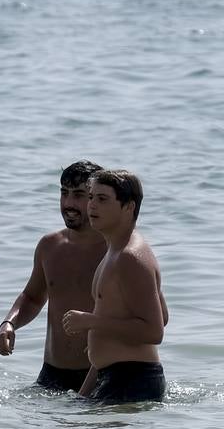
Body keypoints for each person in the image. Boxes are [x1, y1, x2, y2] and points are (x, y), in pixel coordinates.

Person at [0, 160, 107, 392]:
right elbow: (32, 297)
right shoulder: (50, 246)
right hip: (52, 373)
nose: (68, 203)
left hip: (103, 373)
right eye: (64, 193)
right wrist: (9, 324)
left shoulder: (116, 250)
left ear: (96, 199)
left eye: (78, 195)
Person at [62, 170, 168, 403]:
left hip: (133, 380)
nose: (91, 206)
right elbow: (163, 316)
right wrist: (83, 396)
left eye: (102, 199)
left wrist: (90, 322)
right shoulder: (115, 250)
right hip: (111, 377)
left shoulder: (131, 257)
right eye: (91, 197)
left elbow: (155, 330)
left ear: (128, 207)